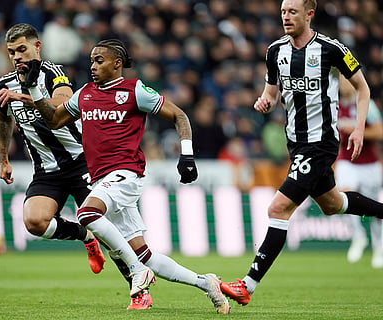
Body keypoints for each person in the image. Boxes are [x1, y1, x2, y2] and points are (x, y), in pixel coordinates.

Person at [17, 38, 230, 313]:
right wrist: (34, 89)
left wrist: (187, 155)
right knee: (147, 256)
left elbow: (179, 116)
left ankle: (136, 271)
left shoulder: (134, 90)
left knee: (87, 215)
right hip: (102, 179)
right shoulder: (84, 94)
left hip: (126, 173)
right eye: (92, 60)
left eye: (99, 60)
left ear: (117, 64)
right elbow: (55, 119)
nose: (92, 66)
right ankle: (206, 283)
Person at [219, 0, 383, 306]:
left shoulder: (331, 49)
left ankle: (247, 286)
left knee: (278, 209)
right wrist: (264, 102)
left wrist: (359, 128)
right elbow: (270, 92)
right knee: (333, 204)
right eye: (283, 12)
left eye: (292, 12)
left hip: (320, 143)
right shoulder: (274, 52)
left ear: (309, 14)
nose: (286, 17)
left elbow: (362, 88)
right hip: (295, 143)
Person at [0, 23, 123, 280]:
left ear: (37, 47)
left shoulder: (53, 72)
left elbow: (64, 103)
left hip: (82, 163)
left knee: (108, 230)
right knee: (34, 222)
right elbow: (5, 118)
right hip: (47, 171)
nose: (16, 56)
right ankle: (85, 237)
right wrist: (3, 158)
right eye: (11, 52)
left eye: (21, 49)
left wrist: (25, 98)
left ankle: (137, 287)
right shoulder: (6, 83)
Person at [335, 76, 383, 268]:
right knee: (344, 195)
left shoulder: (366, 105)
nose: (343, 84)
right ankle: (359, 236)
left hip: (369, 164)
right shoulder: (334, 105)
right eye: (340, 80)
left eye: (346, 79)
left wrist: (358, 129)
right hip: (346, 161)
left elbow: (379, 132)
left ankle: (379, 248)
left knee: (374, 209)